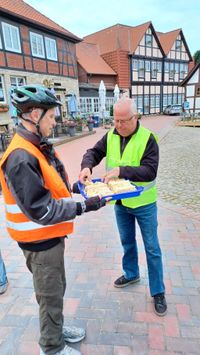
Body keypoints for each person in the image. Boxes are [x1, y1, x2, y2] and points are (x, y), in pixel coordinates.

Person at [0, 84, 106, 355]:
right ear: (35, 115)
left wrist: (79, 189)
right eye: (51, 116)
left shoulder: (37, 145)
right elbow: (42, 209)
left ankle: (56, 329)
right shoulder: (21, 157)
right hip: (39, 242)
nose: (55, 120)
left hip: (48, 239)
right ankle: (52, 347)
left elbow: (49, 186)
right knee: (49, 295)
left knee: (55, 291)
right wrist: (83, 206)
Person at [79, 98, 167, 316]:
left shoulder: (148, 139)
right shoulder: (111, 135)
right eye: (115, 120)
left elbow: (149, 171)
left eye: (122, 121)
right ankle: (131, 273)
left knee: (152, 248)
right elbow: (94, 152)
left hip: (144, 203)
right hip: (120, 202)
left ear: (135, 118)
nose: (117, 125)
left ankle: (158, 291)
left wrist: (121, 170)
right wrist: (86, 166)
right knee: (127, 241)